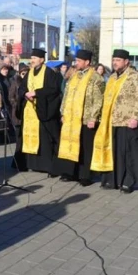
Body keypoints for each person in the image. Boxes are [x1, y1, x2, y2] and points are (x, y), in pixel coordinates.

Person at [92, 49, 138, 192]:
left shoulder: (135, 77)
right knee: (114, 152)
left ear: (126, 62)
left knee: (128, 154)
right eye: (114, 60)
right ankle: (113, 180)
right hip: (112, 121)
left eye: (118, 60)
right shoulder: (112, 77)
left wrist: (135, 117)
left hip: (127, 121)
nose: (115, 63)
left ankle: (129, 181)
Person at [56, 50, 104, 186]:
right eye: (76, 60)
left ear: (87, 62)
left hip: (86, 118)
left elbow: (99, 100)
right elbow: (66, 95)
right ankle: (71, 172)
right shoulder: (74, 76)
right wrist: (63, 112)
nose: (76, 63)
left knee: (85, 147)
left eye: (79, 61)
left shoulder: (96, 78)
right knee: (71, 143)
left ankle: (85, 176)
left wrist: (93, 118)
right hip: (71, 118)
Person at [18, 48, 63, 177]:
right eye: (31, 58)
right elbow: (22, 88)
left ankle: (46, 165)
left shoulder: (49, 73)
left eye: (34, 58)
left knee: (45, 138)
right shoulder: (29, 73)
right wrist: (26, 93)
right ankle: (31, 164)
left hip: (44, 111)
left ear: (42, 60)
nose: (32, 61)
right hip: (29, 110)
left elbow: (54, 90)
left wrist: (36, 93)